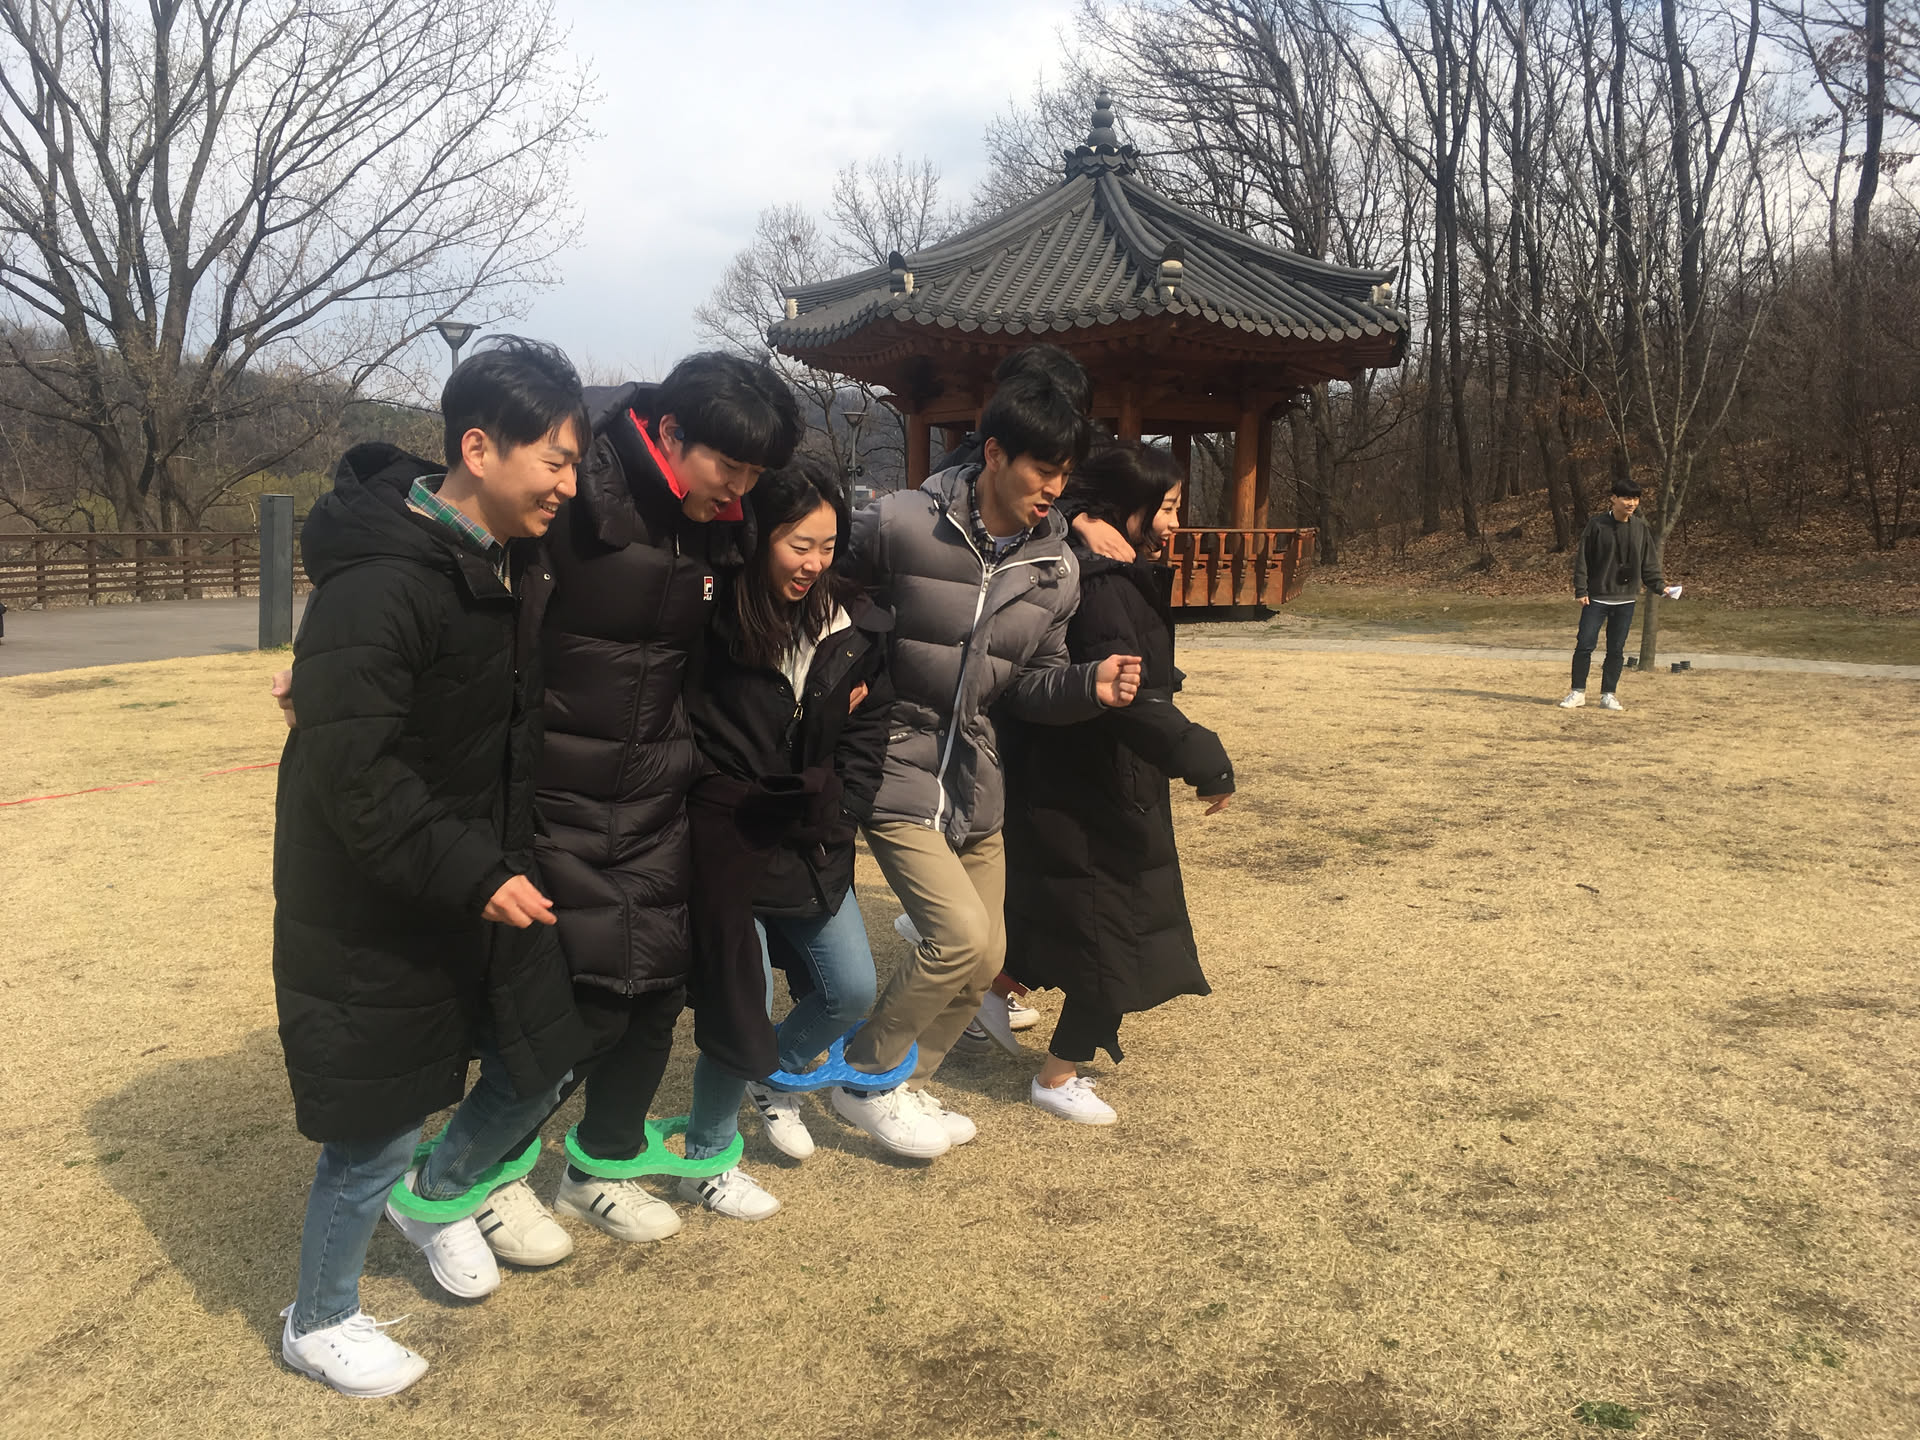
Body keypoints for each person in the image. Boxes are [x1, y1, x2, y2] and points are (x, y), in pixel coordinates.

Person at [272, 338, 592, 1396]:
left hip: (476, 867)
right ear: (479, 450)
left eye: (577, 462)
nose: (569, 484)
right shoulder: (380, 584)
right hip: (376, 895)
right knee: (376, 1126)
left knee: (545, 1053)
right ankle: (319, 1319)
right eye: (554, 460)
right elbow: (354, 773)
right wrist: (474, 872)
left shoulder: (504, 555)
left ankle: (439, 1193)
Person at [468, 353, 805, 1262]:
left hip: (655, 788)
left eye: (754, 475)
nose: (739, 490)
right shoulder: (575, 484)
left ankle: (599, 1167)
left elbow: (806, 549)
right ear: (669, 433)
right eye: (728, 467)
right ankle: (481, 1179)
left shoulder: (721, 524)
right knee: (570, 1005)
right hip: (551, 786)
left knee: (655, 994)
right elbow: (442, 535)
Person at [827, 363, 1143, 1159]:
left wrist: (1088, 685)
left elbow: (1033, 684)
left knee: (989, 960)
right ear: (995, 453)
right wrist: (840, 678)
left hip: (974, 775)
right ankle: (862, 1078)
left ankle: (903, 1084)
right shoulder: (900, 522)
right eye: (1044, 469)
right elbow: (817, 586)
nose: (1054, 490)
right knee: (960, 938)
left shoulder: (1055, 568)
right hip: (895, 759)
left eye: (1066, 474)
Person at [676, 453, 895, 1216]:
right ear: (759, 534)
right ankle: (706, 1156)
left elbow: (869, 730)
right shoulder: (710, 614)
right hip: (729, 835)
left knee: (851, 989)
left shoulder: (852, 624)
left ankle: (776, 1076)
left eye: (828, 546)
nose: (814, 563)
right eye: (799, 544)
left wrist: (845, 810)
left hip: (813, 835)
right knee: (743, 1003)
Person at [1000, 442, 1233, 1124]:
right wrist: (1201, 757)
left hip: (1080, 775)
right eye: (1165, 507)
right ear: (1125, 505)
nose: (1174, 523)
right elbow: (1127, 696)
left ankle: (989, 991)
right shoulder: (1102, 582)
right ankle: (1058, 1074)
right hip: (1099, 778)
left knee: (1076, 916)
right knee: (1118, 931)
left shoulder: (1100, 564)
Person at [1559, 478, 1672, 712]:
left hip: (1626, 599)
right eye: (1626, 498)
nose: (1632, 503)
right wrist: (1581, 589)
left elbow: (1649, 564)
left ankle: (1608, 695)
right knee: (1585, 644)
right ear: (1613, 499)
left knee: (1616, 649)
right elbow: (1582, 560)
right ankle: (1577, 692)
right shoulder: (1597, 525)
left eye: (1636, 498)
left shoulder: (1640, 528)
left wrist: (1661, 587)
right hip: (1596, 597)